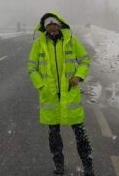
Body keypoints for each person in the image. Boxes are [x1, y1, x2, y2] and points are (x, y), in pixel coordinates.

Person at [26, 12, 94, 176]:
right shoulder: (38, 44)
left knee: (80, 134)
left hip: (70, 96)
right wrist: (41, 86)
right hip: (50, 97)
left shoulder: (71, 41)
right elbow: (31, 68)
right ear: (45, 28)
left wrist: (78, 76)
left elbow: (85, 60)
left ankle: (88, 166)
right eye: (49, 25)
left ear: (60, 25)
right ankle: (59, 166)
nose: (52, 27)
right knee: (54, 136)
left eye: (54, 24)